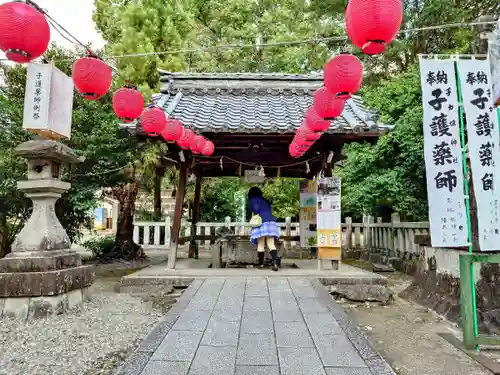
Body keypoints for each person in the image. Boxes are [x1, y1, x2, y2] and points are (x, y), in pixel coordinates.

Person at [247, 186, 280, 271]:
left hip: (261, 222)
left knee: (261, 243)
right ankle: (275, 264)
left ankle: (261, 265)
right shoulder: (265, 200)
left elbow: (255, 209)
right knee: (271, 244)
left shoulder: (253, 199)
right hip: (271, 222)